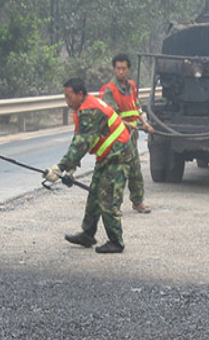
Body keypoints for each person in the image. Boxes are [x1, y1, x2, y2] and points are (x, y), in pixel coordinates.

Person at [44, 77, 132, 253]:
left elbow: (82, 144)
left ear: (80, 94)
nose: (67, 101)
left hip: (118, 155)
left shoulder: (90, 110)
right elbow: (79, 140)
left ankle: (116, 241)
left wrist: (59, 168)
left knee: (107, 197)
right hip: (107, 156)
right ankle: (88, 234)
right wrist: (70, 169)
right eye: (65, 97)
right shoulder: (84, 108)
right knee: (94, 195)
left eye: (69, 97)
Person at [100, 53, 154, 214]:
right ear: (114, 69)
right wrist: (128, 124)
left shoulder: (131, 86)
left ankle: (138, 201)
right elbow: (112, 115)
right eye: (118, 68)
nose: (121, 71)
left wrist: (145, 123)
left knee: (135, 169)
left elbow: (136, 108)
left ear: (128, 69)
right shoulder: (109, 90)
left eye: (124, 68)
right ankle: (114, 205)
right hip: (118, 137)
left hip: (132, 136)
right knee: (119, 171)